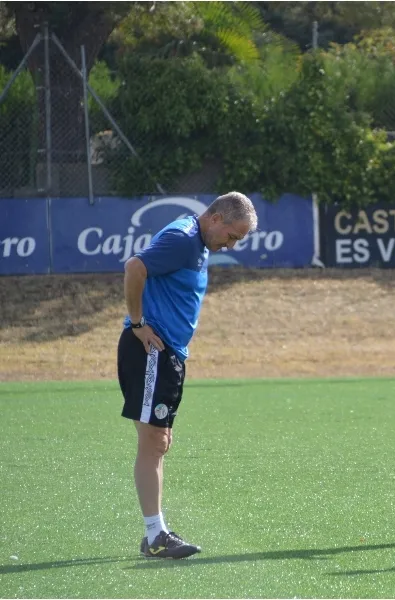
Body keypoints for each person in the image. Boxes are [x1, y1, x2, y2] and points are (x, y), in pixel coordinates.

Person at [118, 191, 257, 559]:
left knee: (159, 442)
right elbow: (134, 268)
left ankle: (155, 533)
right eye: (232, 235)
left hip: (168, 354)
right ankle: (156, 536)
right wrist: (138, 324)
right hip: (151, 350)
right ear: (216, 218)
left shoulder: (196, 240)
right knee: (154, 442)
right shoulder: (183, 239)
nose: (231, 245)